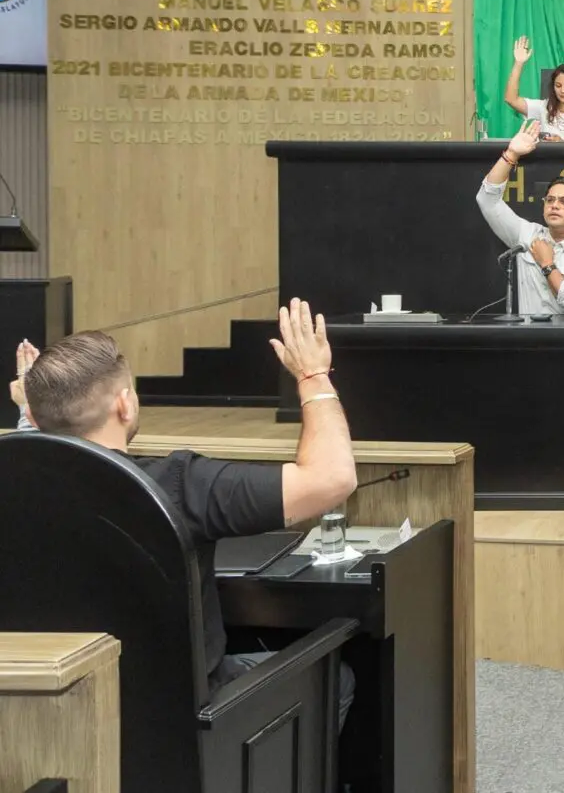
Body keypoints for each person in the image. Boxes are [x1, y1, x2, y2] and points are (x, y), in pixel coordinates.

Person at [8, 300, 358, 715]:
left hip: (48, 717)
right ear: (125, 404)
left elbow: (35, 459)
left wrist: (31, 416)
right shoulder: (179, 484)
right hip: (178, 724)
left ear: (34, 416)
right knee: (338, 679)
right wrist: (313, 376)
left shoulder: (16, 493)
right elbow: (332, 479)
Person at [476, 120, 564, 316]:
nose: (554, 205)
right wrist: (511, 154)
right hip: (528, 333)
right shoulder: (526, 235)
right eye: (550, 200)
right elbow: (487, 200)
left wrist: (547, 263)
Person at [502, 36, 564, 142]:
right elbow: (511, 99)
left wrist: (563, 143)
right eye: (558, 86)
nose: (562, 90)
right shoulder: (543, 108)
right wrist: (518, 63)